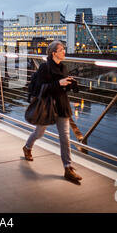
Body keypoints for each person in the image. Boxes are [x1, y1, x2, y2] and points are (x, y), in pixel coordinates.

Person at [22, 40, 83, 184]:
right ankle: (27, 147)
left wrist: (70, 83)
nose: (64, 52)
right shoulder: (44, 68)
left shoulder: (64, 68)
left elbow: (63, 88)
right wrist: (58, 83)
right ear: (54, 53)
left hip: (61, 104)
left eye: (64, 49)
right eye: (61, 50)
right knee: (39, 132)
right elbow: (40, 89)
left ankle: (68, 168)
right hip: (47, 105)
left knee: (65, 136)